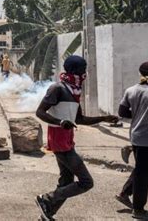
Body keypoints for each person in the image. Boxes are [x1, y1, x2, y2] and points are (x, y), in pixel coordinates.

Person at [34, 55, 119, 220]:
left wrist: (104, 118)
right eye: (83, 68)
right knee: (86, 182)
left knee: (66, 181)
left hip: (67, 140)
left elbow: (80, 119)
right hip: (59, 141)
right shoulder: (57, 88)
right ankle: (47, 198)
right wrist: (60, 122)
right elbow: (40, 112)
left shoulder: (74, 91)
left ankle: (47, 213)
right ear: (74, 70)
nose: (85, 72)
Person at [115, 62, 148, 219]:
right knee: (145, 176)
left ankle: (125, 193)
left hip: (135, 137)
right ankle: (138, 209)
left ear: (140, 73)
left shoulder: (130, 90)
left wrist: (137, 115)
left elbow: (122, 111)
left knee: (141, 170)